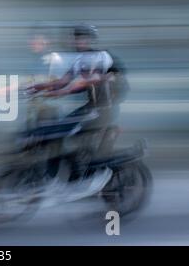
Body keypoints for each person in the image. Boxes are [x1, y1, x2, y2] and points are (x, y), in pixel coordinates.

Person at [28, 24, 130, 186]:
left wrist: (60, 93)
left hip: (104, 109)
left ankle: (77, 174)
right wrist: (37, 87)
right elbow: (63, 81)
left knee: (67, 132)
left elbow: (87, 82)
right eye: (76, 38)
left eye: (82, 38)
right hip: (91, 107)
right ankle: (76, 171)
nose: (78, 41)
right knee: (60, 128)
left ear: (90, 40)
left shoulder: (100, 56)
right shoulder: (79, 60)